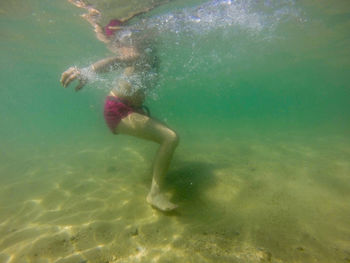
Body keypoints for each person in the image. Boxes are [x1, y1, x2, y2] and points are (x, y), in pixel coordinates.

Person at [60, 19, 179, 212]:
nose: (155, 33)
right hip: (118, 110)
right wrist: (87, 72)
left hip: (131, 109)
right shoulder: (138, 51)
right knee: (170, 138)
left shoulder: (151, 52)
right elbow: (116, 61)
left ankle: (156, 179)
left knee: (168, 137)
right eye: (150, 31)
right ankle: (154, 194)